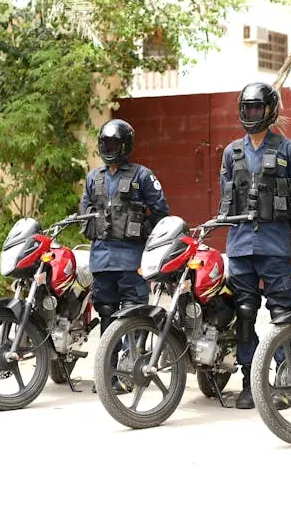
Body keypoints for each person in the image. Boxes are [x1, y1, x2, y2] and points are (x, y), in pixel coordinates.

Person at [218, 82, 291, 409]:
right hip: (240, 246)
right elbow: (226, 197)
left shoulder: (289, 150)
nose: (252, 114)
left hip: (274, 246)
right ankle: (250, 382)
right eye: (247, 108)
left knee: (280, 314)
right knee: (244, 314)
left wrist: (281, 222)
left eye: (257, 108)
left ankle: (285, 382)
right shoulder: (231, 152)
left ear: (271, 111)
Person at [81, 119, 169, 393]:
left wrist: (143, 231)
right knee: (107, 315)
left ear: (126, 146)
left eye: (115, 144)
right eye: (105, 144)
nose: (109, 149)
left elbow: (161, 213)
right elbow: (85, 214)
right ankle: (107, 373)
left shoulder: (142, 176)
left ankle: (131, 369)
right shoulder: (93, 178)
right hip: (102, 260)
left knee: (133, 315)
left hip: (132, 260)